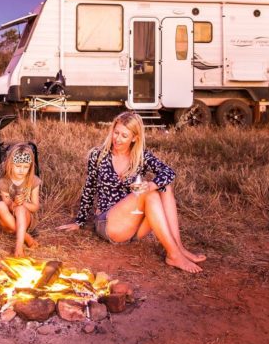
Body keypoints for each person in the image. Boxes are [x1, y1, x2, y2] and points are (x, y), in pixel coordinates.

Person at [57, 111, 205, 273]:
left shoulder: (141, 156)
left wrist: (152, 185)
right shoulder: (98, 155)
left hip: (134, 228)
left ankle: (178, 247)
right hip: (108, 224)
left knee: (163, 187)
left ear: (135, 138)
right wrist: (79, 221)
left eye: (124, 136)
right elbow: (89, 186)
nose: (117, 139)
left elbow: (169, 173)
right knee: (149, 191)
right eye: (116, 132)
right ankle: (174, 254)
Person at [0, 143, 41, 257]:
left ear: (30, 167)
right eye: (18, 166)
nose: (21, 170)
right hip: (7, 221)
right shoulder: (3, 182)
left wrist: (23, 203)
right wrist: (13, 203)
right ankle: (27, 237)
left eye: (25, 167)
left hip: (26, 219)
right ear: (10, 164)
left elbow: (35, 207)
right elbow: (7, 206)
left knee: (20, 208)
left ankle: (19, 248)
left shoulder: (33, 181)